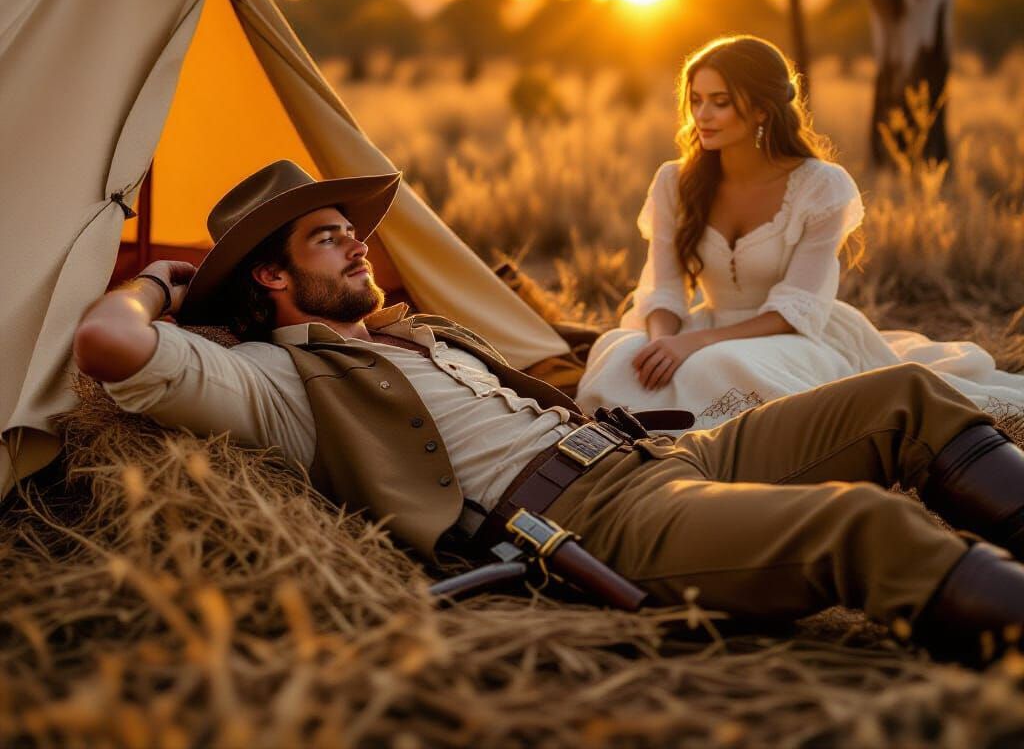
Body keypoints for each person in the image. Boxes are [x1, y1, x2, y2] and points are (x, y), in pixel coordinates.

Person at [73, 159, 1024, 660]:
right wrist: (160, 279)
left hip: (665, 457)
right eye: (331, 241)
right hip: (597, 521)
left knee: (905, 394)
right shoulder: (273, 382)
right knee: (857, 523)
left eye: (356, 234)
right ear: (273, 275)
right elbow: (109, 345)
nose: (360, 248)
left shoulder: (413, 331)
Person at [577, 35, 1024, 431]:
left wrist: (692, 344)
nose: (702, 115)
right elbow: (665, 290)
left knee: (718, 365)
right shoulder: (674, 181)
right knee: (620, 357)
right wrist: (663, 347)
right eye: (695, 100)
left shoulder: (821, 186)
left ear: (760, 108)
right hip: (700, 329)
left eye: (720, 101)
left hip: (793, 335)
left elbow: (797, 308)